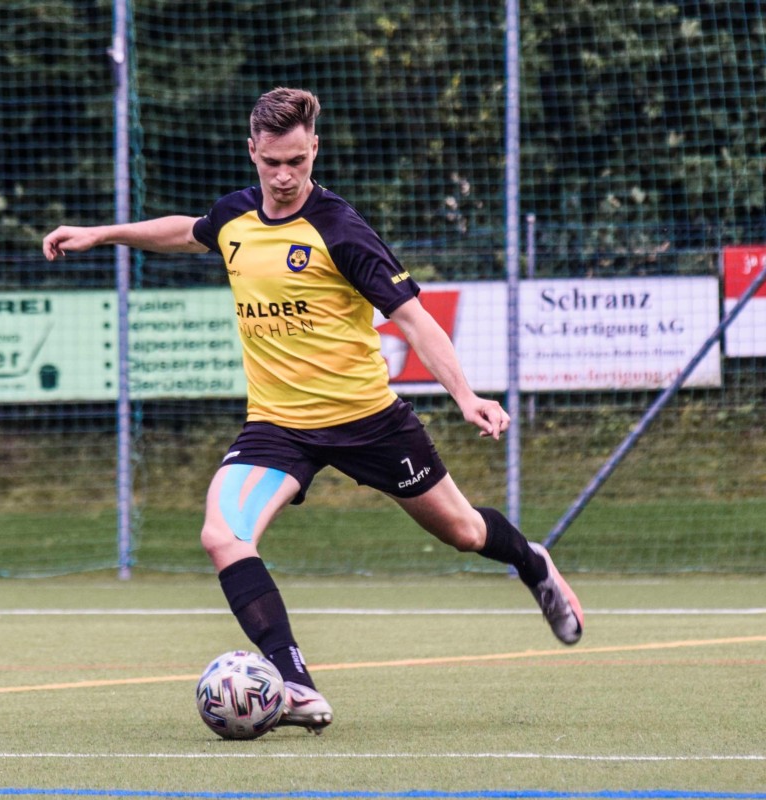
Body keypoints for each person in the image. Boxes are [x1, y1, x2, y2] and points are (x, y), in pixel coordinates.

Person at [41, 87, 583, 734]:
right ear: (252, 151)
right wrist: (102, 234)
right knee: (221, 535)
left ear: (315, 149)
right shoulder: (235, 218)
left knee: (464, 532)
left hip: (370, 421)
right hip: (277, 428)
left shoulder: (340, 230)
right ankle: (293, 683)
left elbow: (414, 320)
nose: (284, 175)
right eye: (272, 162)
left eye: (297, 161)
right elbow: (187, 232)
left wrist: (466, 396)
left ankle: (532, 562)